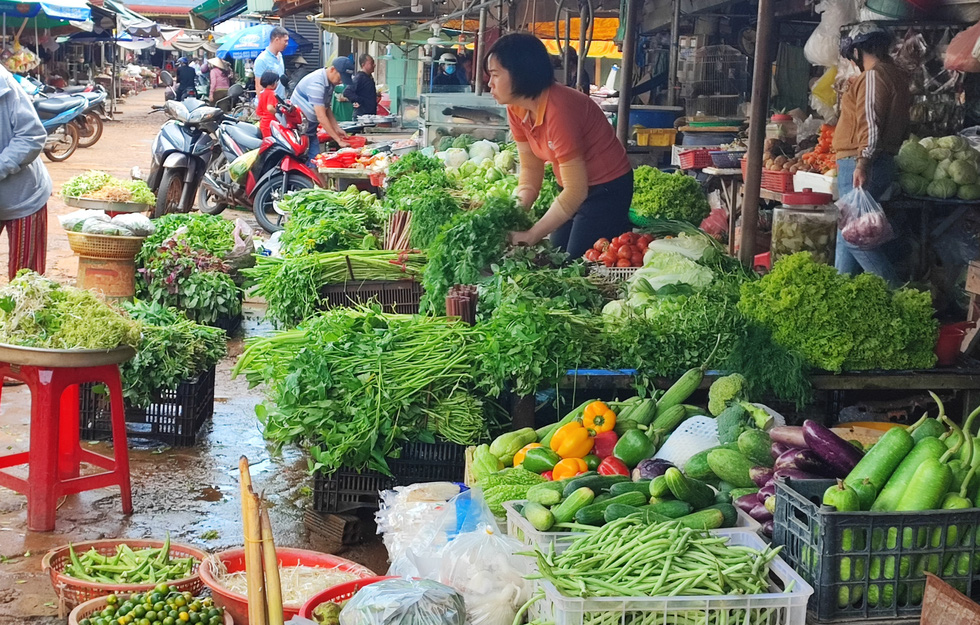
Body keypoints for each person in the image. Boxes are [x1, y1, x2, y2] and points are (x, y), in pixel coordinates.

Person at [486, 33, 633, 258]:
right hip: (574, 188)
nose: (490, 83)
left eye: (495, 75)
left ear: (520, 73)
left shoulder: (559, 109)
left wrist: (533, 234)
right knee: (557, 256)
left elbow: (576, 190)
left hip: (607, 189)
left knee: (576, 262)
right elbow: (531, 170)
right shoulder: (516, 108)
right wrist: (514, 212)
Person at [833, 23, 910, 286]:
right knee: (848, 232)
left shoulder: (874, 76)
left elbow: (871, 122)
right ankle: (841, 294)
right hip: (874, 161)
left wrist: (862, 162)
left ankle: (898, 295)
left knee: (855, 238)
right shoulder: (895, 75)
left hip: (862, 162)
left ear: (856, 50)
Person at [0, 64, 51, 281]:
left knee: (25, 280)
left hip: (24, 196)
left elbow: (32, 136)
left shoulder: (6, 86)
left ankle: (24, 316)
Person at [291, 57, 354, 157]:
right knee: (306, 162)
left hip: (310, 128)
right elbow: (321, 116)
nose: (341, 81)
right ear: (332, 69)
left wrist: (337, 128)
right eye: (341, 77)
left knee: (315, 161)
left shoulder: (330, 83)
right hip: (298, 129)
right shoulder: (317, 82)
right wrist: (338, 140)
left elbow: (327, 107)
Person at [253, 26, 288, 99]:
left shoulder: (280, 55)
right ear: (277, 40)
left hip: (280, 102)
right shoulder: (262, 60)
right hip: (269, 105)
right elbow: (259, 86)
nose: (286, 44)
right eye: (285, 41)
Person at [345, 53, 378, 118]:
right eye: (371, 63)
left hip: (370, 115)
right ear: (363, 65)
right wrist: (358, 100)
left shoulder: (369, 77)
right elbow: (347, 92)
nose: (374, 65)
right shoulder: (359, 77)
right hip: (361, 116)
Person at [256, 71, 280, 138]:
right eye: (276, 82)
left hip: (263, 123)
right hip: (271, 124)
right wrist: (277, 113)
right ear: (273, 83)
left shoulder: (263, 93)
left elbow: (258, 111)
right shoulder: (272, 94)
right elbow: (270, 108)